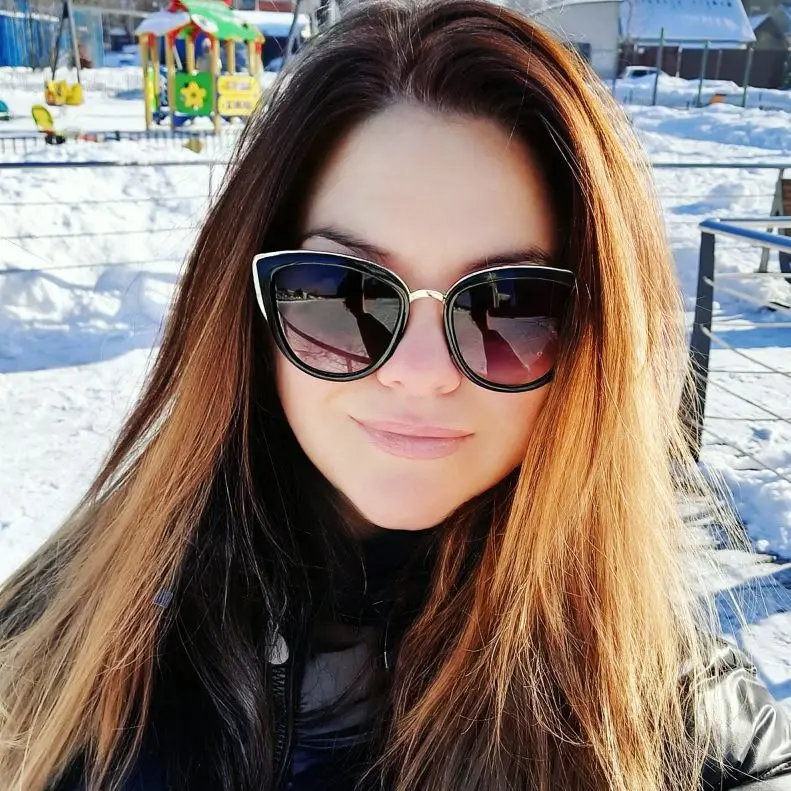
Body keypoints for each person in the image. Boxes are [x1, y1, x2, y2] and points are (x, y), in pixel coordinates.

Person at [1, 1, 790, 790]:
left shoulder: (667, 704)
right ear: (250, 307)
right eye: (341, 292)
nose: (421, 371)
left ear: (593, 343)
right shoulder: (51, 657)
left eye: (512, 305)